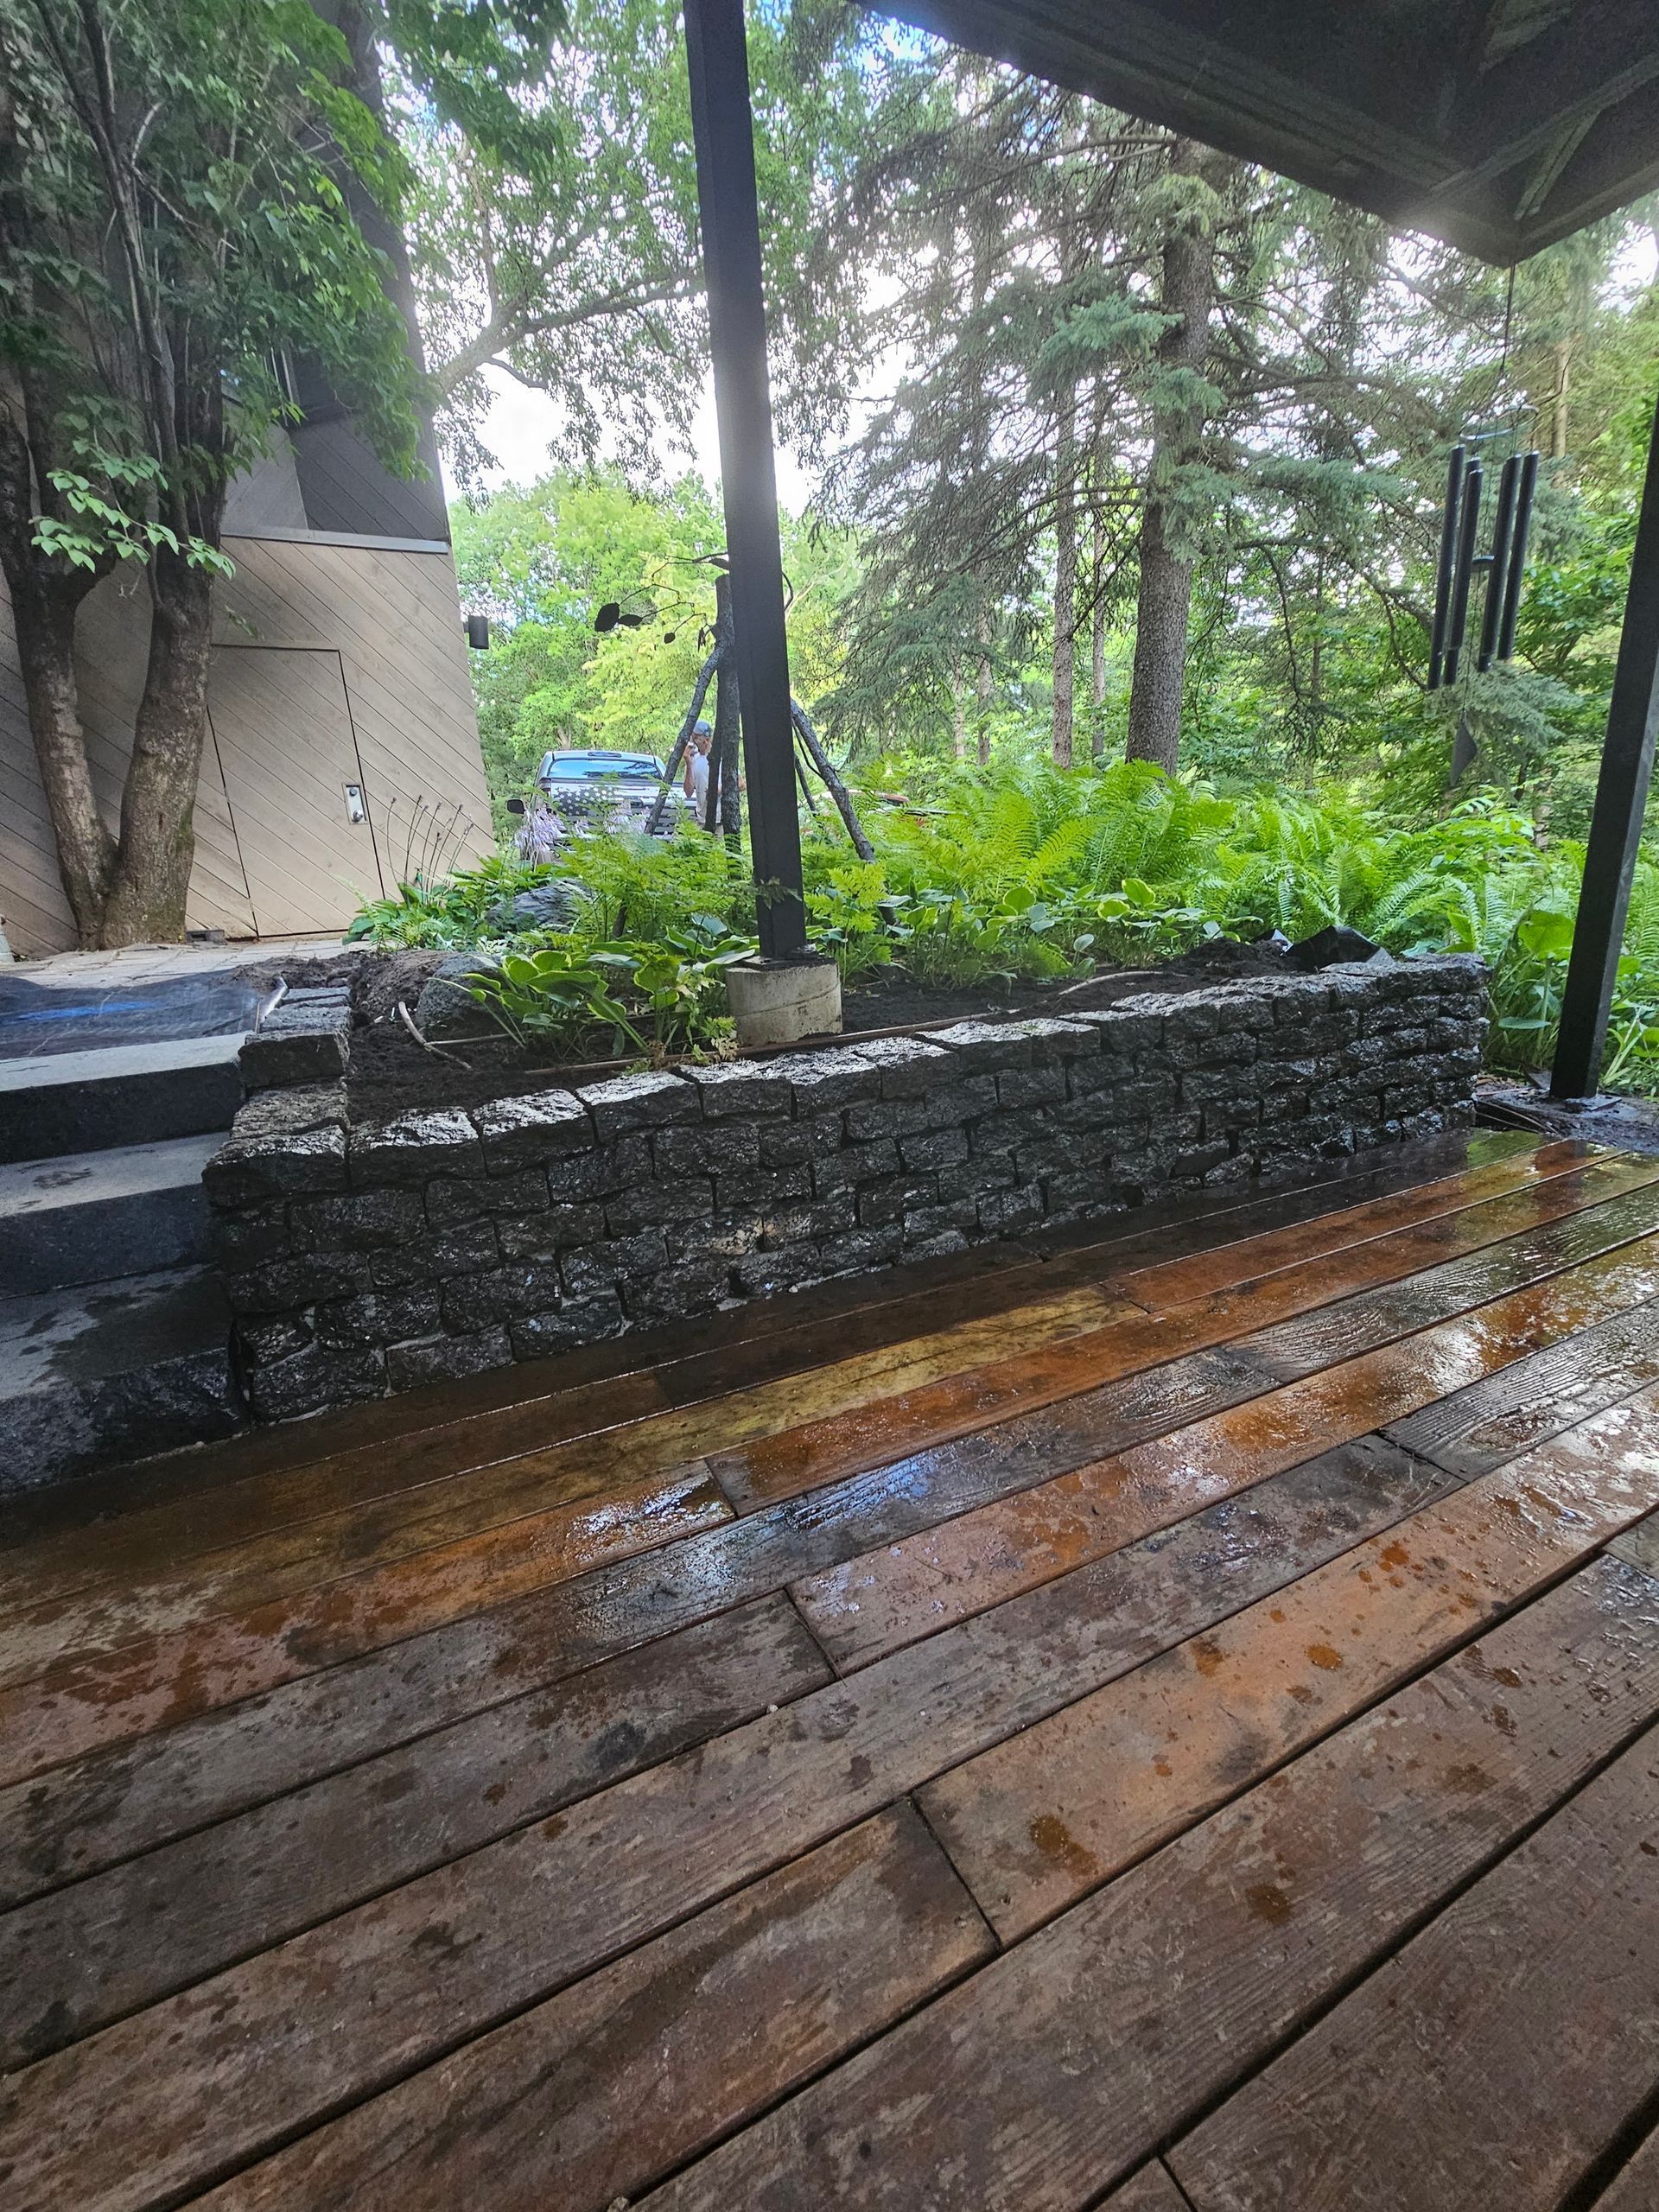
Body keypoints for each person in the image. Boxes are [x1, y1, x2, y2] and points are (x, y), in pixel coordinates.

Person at [683, 719, 713, 830]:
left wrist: (718, 789)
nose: (693, 741)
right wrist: (688, 763)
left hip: (720, 820)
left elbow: (741, 784)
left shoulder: (720, 757)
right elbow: (688, 792)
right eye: (692, 737)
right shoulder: (693, 759)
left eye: (697, 738)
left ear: (707, 739)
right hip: (702, 820)